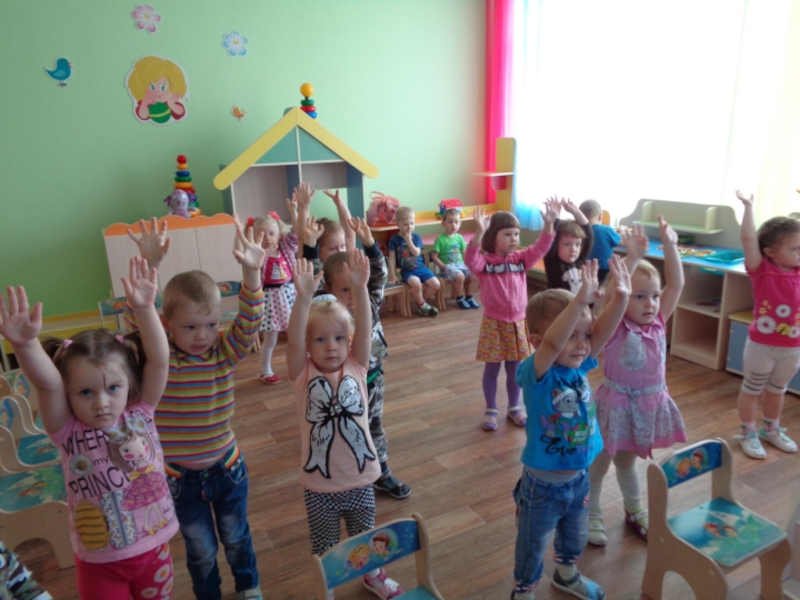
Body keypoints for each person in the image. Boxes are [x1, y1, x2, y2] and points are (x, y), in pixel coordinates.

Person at [0, 258, 177, 600]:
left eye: (113, 388)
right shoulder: (66, 429)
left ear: (130, 384)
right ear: (69, 394)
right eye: (85, 393)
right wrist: (24, 345)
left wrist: (145, 309)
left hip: (154, 550)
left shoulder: (140, 411)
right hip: (100, 563)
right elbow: (49, 384)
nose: (101, 403)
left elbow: (159, 360)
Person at [125, 217, 267, 600]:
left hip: (228, 469)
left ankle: (249, 586)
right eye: (189, 327)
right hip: (179, 479)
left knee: (237, 538)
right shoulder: (161, 357)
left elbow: (251, 319)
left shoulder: (224, 351)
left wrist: (252, 272)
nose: (202, 335)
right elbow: (139, 318)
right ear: (167, 324)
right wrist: (150, 265)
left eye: (210, 324)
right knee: (200, 550)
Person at [511, 256, 631, 600]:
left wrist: (621, 298)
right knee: (533, 545)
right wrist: (578, 301)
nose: (582, 344)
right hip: (543, 486)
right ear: (536, 341)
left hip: (579, 477)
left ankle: (566, 576)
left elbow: (601, 333)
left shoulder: (577, 365)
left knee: (575, 536)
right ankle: (523, 591)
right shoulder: (535, 372)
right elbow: (553, 344)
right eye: (571, 336)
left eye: (584, 335)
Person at [287, 253, 403, 600]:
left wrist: (360, 288)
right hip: (319, 485)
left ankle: (373, 576)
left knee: (365, 537)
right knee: (324, 546)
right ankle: (327, 588)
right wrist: (303, 298)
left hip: (361, 478)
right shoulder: (302, 374)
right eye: (320, 340)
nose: (331, 347)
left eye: (338, 338)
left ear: (348, 341)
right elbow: (293, 340)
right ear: (308, 345)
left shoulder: (357, 367)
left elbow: (364, 329)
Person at [587, 218, 687, 546]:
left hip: (645, 406)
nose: (651, 303)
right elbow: (609, 299)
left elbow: (676, 285)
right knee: (598, 465)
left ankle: (634, 509)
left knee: (627, 463)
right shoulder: (615, 324)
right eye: (640, 296)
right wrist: (630, 260)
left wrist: (670, 246)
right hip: (613, 406)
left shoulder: (659, 322)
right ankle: (591, 513)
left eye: (654, 296)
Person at [322, 216, 410, 499]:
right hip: (343, 387)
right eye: (343, 289)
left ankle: (381, 471)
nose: (351, 296)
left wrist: (370, 242)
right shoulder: (326, 311)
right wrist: (309, 245)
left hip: (374, 379)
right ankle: (348, 476)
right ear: (329, 290)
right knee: (345, 431)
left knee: (375, 426)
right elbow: (311, 281)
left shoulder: (370, 298)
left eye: (355, 286)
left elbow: (380, 271)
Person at [465, 202, 558, 431]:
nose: (514, 238)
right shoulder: (485, 263)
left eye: (516, 234)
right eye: (507, 234)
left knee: (515, 370)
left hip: (518, 323)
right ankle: (491, 408)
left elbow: (541, 247)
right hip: (494, 324)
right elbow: (470, 258)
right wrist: (479, 232)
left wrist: (548, 225)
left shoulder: (521, 259)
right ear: (493, 237)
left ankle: (514, 406)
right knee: (492, 370)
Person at [733, 190, 800, 459]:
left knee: (777, 390)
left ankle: (770, 430)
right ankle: (747, 432)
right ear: (770, 252)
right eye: (795, 248)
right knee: (752, 389)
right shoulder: (762, 270)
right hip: (762, 346)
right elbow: (749, 239)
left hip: (793, 347)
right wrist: (749, 207)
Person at [251, 193, 302, 385]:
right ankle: (265, 370)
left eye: (271, 233)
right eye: (261, 234)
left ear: (280, 234)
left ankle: (301, 365)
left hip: (289, 295)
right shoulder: (258, 254)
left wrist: (293, 211)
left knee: (297, 334)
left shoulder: (286, 249)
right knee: (270, 339)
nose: (267, 238)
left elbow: (297, 234)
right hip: (269, 300)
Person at [296, 185, 357, 292]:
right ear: (318, 250)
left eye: (342, 246)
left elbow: (350, 232)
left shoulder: (345, 258)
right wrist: (304, 206)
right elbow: (303, 237)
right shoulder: (313, 265)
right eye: (333, 248)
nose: (340, 251)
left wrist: (341, 204)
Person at [387, 206, 441, 317]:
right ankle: (423, 306)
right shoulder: (394, 240)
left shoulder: (416, 237)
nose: (409, 227)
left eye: (412, 223)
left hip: (421, 268)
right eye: (405, 224)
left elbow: (416, 253)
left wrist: (409, 241)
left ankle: (422, 302)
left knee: (436, 284)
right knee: (416, 284)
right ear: (398, 224)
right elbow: (391, 258)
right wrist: (392, 275)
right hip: (407, 272)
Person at [431, 208, 480, 309]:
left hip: (461, 265)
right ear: (443, 223)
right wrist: (443, 267)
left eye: (456, 222)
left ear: (459, 224)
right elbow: (434, 256)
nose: (453, 225)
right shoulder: (440, 240)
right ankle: (459, 298)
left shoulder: (459, 238)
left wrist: (470, 263)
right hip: (448, 267)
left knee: (476, 275)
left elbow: (464, 252)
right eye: (450, 222)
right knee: (460, 276)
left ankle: (469, 297)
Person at [544, 198, 594, 293]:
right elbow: (550, 239)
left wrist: (575, 211)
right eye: (567, 244)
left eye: (577, 244)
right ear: (556, 245)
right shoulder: (553, 262)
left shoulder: (580, 261)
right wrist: (555, 218)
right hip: (558, 302)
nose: (573, 249)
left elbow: (588, 233)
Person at [579, 200, 621, 284]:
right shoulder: (607, 229)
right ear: (600, 216)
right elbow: (620, 242)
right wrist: (621, 232)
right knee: (604, 287)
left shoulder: (579, 231)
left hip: (586, 268)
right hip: (605, 268)